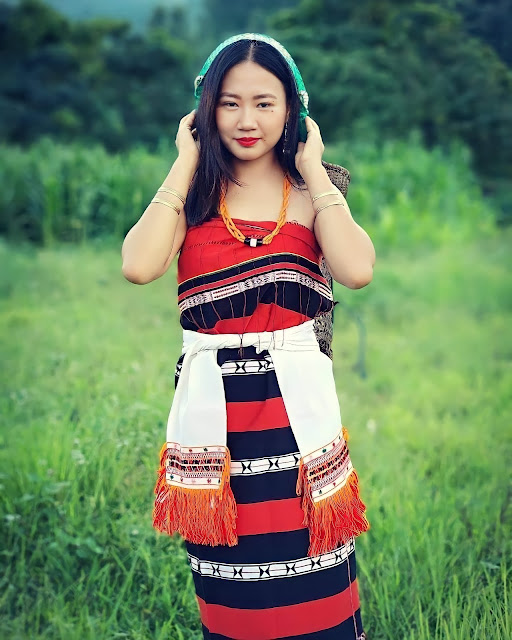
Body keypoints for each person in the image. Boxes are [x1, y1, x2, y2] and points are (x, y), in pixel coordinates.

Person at [122, 33, 375, 640]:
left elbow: (359, 270)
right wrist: (184, 162)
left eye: (265, 103)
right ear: (205, 109)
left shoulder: (313, 193)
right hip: (217, 426)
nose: (246, 119)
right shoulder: (193, 194)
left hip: (297, 426)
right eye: (229, 102)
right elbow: (138, 264)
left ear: (293, 110)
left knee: (316, 588)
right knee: (233, 594)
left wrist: (314, 169)